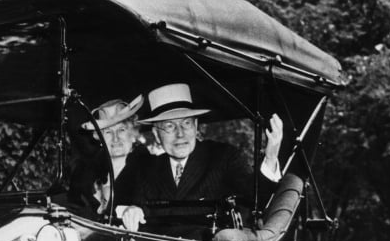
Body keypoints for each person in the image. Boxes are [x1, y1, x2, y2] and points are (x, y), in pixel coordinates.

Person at [117, 83, 283, 233]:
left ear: (196, 126)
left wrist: (270, 157)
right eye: (169, 126)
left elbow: (257, 199)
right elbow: (125, 204)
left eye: (186, 124)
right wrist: (130, 210)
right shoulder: (146, 169)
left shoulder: (224, 157)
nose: (180, 133)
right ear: (156, 135)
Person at [68, 94, 149, 219]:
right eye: (108, 132)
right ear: (100, 139)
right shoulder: (84, 172)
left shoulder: (150, 168)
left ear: (133, 134)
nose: (115, 138)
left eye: (121, 130)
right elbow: (74, 209)